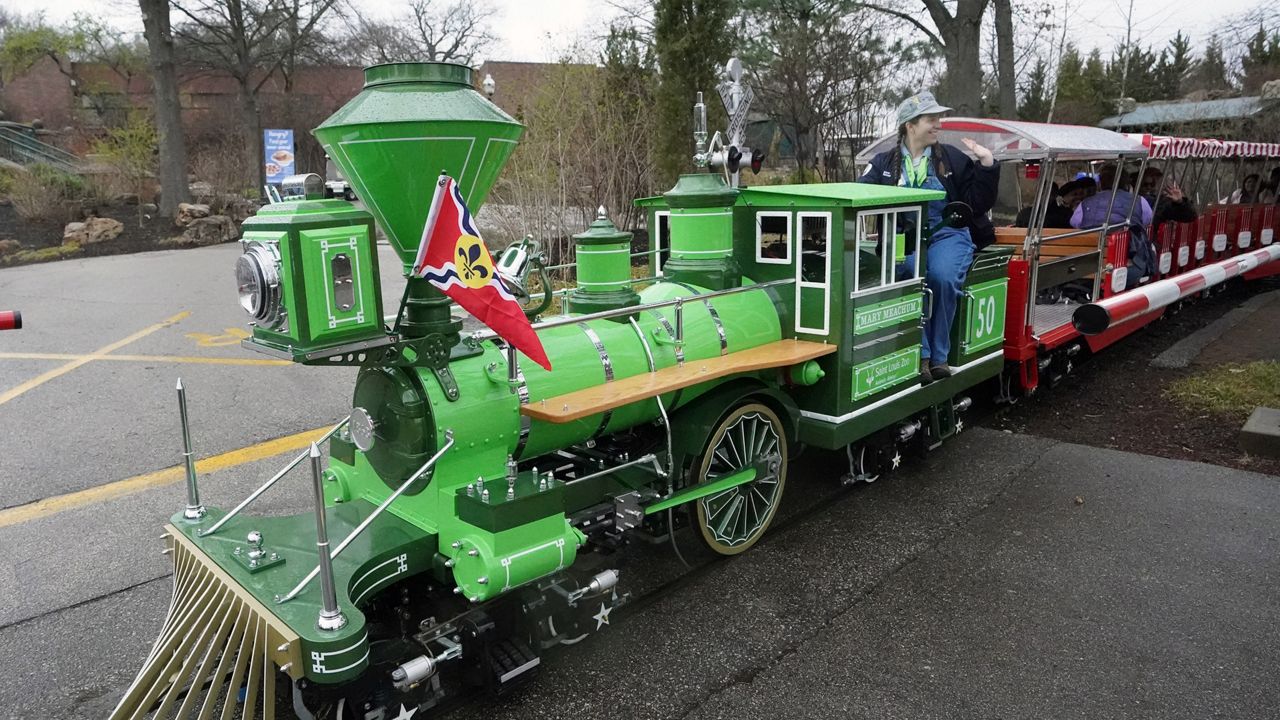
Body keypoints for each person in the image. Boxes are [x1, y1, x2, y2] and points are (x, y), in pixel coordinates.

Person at [858, 90, 999, 382]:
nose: (938, 124)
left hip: (947, 232)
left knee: (942, 276)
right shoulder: (884, 163)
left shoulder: (953, 159)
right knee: (908, 273)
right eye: (931, 119)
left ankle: (939, 356)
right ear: (911, 125)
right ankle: (918, 355)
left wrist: (987, 164)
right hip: (904, 236)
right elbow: (860, 193)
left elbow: (979, 202)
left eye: (938, 118)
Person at [1072, 164, 1155, 288]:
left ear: (1100, 183)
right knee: (1148, 247)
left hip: (1091, 267)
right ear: (1126, 183)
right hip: (1126, 267)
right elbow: (1146, 220)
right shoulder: (1139, 201)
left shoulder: (1086, 203)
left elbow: (1075, 222)